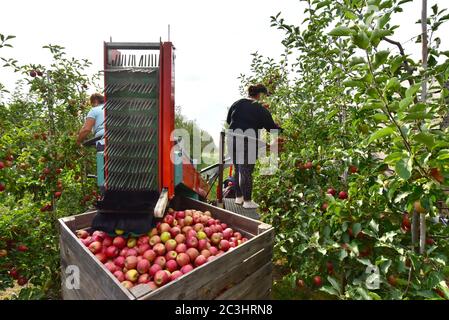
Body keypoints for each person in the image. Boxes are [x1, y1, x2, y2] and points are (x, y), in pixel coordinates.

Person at [226, 84, 282, 209]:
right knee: (246, 170)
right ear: (260, 95)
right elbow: (271, 128)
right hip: (248, 140)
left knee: (237, 168)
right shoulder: (260, 108)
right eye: (265, 96)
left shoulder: (237, 103)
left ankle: (239, 198)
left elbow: (229, 120)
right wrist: (280, 129)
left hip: (231, 138)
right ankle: (247, 201)